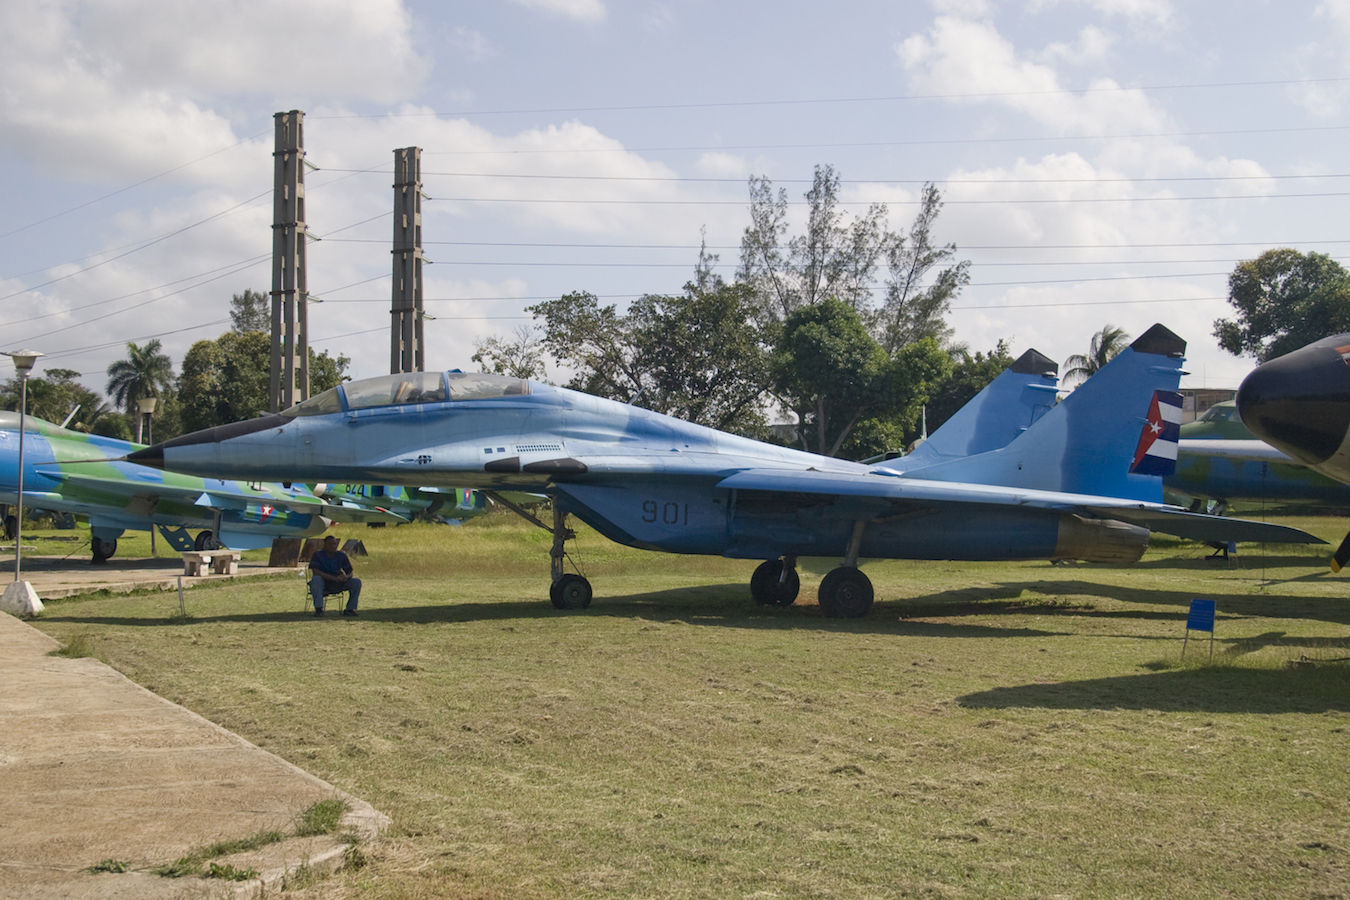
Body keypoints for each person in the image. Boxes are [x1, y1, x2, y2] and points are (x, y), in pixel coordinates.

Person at [309, 535, 361, 617]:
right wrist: (333, 578)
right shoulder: (317, 555)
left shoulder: (341, 555)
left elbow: (350, 572)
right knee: (316, 579)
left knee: (356, 582)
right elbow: (316, 571)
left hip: (338, 582)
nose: (332, 546)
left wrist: (346, 577)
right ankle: (319, 609)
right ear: (324, 545)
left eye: (334, 544)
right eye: (330, 544)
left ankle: (350, 609)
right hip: (324, 582)